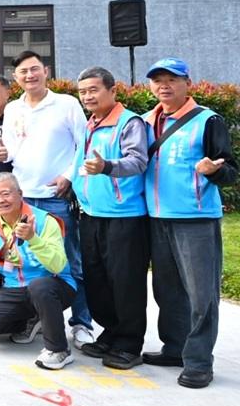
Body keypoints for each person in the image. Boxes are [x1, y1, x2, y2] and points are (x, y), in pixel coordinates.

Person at [141, 58, 237, 389]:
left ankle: (198, 362)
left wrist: (214, 171)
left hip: (195, 219)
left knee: (201, 295)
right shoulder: (145, 121)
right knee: (167, 290)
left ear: (187, 83)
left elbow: (232, 172)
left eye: (172, 79)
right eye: (158, 80)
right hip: (156, 217)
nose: (164, 85)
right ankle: (174, 348)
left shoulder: (208, 120)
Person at [0, 50, 93, 349]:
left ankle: (82, 323)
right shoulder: (13, 109)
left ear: (46, 71)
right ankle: (36, 318)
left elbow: (84, 145)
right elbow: (12, 148)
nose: (29, 75)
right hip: (23, 198)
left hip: (56, 198)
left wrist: (69, 176)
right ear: (15, 77)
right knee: (29, 263)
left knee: (70, 262)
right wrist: (5, 153)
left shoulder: (66, 104)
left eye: (34, 69)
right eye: (23, 72)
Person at [70, 66, 149, 370]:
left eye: (93, 90)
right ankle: (111, 333)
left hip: (124, 216)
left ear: (112, 91)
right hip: (91, 214)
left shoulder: (129, 123)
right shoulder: (91, 123)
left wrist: (106, 167)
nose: (87, 96)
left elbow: (138, 161)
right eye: (83, 92)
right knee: (97, 279)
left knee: (125, 282)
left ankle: (129, 344)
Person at [0, 172, 76, 371]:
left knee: (39, 287)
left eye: (5, 194)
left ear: (20, 194)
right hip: (14, 288)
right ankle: (33, 319)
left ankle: (59, 349)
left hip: (54, 285)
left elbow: (58, 265)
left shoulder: (45, 221)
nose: (0, 200)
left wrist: (33, 239)